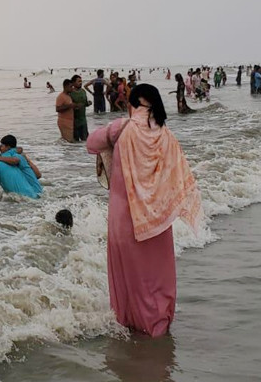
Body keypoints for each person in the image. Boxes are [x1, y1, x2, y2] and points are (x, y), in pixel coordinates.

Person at [87, 84, 202, 337]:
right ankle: (159, 323)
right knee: (157, 274)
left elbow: (90, 143)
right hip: (157, 218)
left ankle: (129, 322)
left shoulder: (122, 128)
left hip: (124, 217)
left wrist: (112, 135)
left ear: (132, 103)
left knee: (130, 273)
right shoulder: (167, 135)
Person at [70, 74, 91, 141]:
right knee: (75, 142)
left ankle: (83, 152)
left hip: (83, 120)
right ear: (73, 83)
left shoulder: (83, 92)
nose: (80, 83)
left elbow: (85, 103)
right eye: (78, 81)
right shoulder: (70, 93)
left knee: (85, 140)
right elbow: (68, 105)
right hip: (74, 121)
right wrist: (75, 106)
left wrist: (88, 103)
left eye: (81, 81)